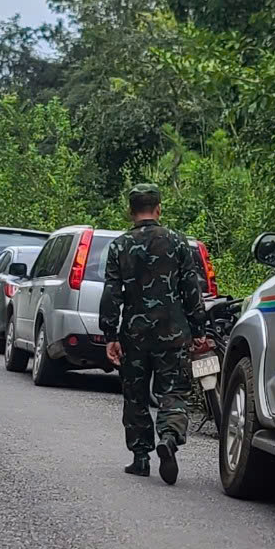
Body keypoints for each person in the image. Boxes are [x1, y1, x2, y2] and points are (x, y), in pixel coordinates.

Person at [98, 184, 202, 483]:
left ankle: (140, 457)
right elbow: (191, 288)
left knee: (135, 395)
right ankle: (168, 438)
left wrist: (110, 335)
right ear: (158, 208)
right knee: (172, 391)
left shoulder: (120, 246)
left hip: (135, 333)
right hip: (173, 331)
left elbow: (111, 293)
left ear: (130, 212)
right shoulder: (178, 242)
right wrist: (198, 329)